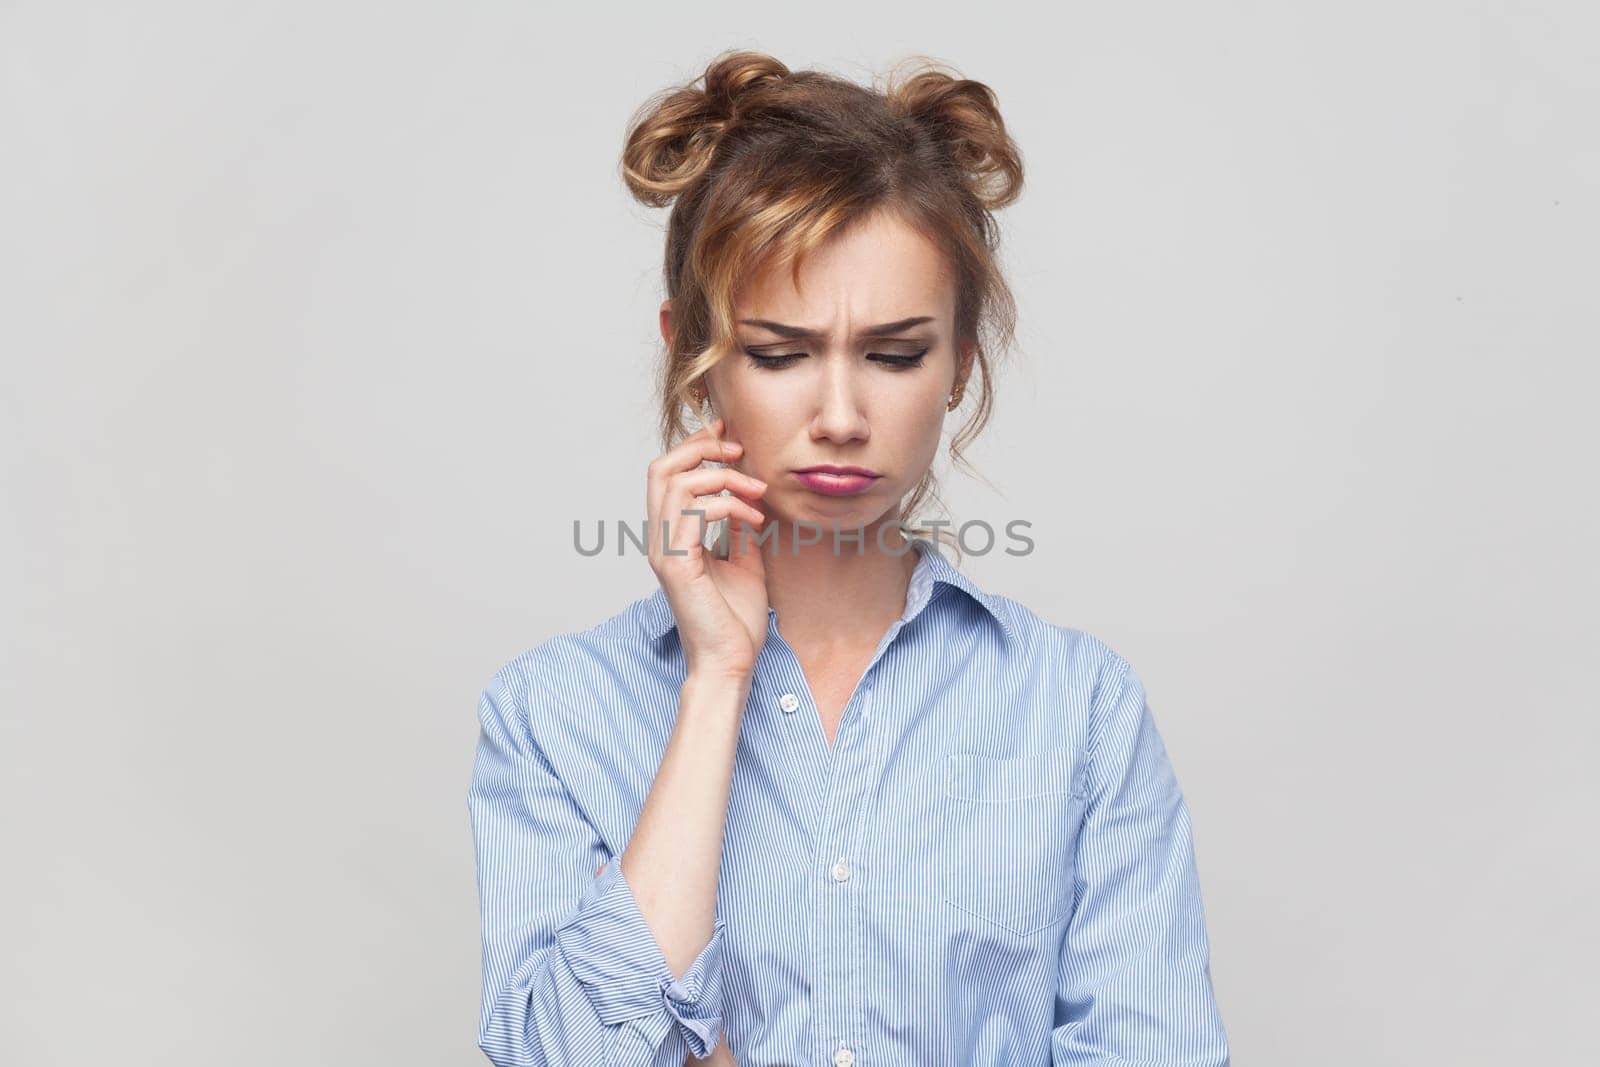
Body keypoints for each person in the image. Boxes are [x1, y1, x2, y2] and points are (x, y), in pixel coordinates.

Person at [467, 49, 1231, 1067]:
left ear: (960, 362)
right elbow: (561, 1055)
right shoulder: (552, 715)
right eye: (779, 353)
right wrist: (715, 680)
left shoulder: (1078, 710)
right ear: (692, 358)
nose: (838, 416)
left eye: (894, 352)